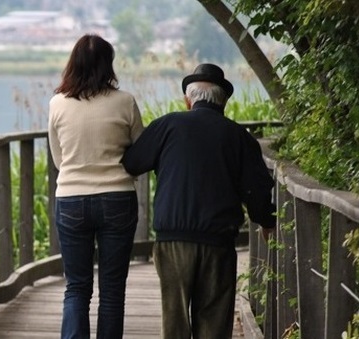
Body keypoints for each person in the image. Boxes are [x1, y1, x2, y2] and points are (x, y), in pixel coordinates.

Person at [121, 63, 276, 339]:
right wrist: (266, 221)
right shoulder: (239, 137)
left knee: (175, 320)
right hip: (219, 241)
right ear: (224, 101)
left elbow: (132, 162)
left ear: (188, 99)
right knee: (214, 322)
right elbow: (257, 189)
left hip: (173, 240)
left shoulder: (167, 125)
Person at [48, 34, 144, 339]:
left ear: (72, 64)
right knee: (112, 290)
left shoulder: (57, 104)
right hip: (117, 197)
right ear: (108, 65)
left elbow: (58, 158)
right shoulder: (125, 102)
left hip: (72, 198)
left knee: (76, 287)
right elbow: (140, 152)